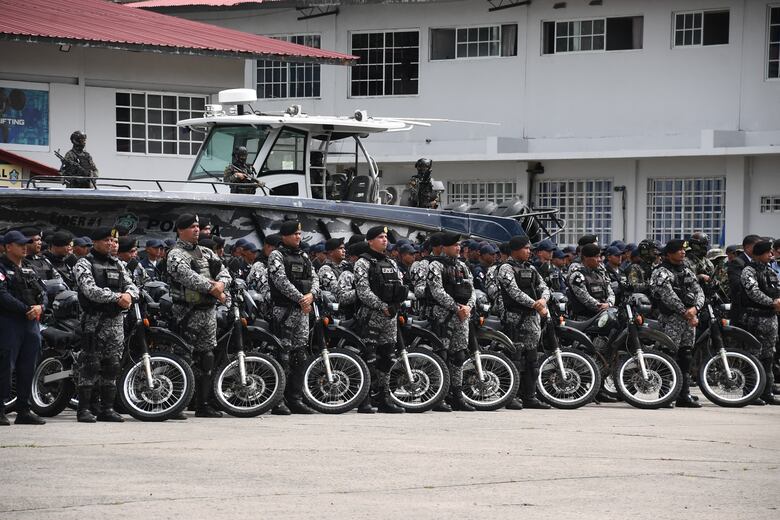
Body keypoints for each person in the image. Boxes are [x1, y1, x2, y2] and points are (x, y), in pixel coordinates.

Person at [167, 214, 231, 418]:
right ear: (180, 230)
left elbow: (225, 273)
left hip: (208, 312)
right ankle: (175, 404)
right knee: (182, 358)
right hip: (186, 313)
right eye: (192, 227)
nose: (197, 230)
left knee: (207, 357)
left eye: (197, 226)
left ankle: (202, 404)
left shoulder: (206, 252)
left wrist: (221, 285)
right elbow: (188, 277)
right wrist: (215, 289)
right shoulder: (175, 254)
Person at [73, 227, 139, 423]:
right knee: (90, 365)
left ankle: (107, 408)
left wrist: (128, 295)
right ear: (95, 242)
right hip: (94, 321)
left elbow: (133, 286)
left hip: (115, 322)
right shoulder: (84, 263)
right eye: (106, 240)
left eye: (113, 240)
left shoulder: (118, 264)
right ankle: (84, 409)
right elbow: (90, 290)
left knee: (112, 365)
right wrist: (118, 297)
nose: (111, 244)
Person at [354, 226, 408, 413]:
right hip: (372, 315)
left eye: (385, 237)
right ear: (370, 241)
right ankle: (365, 399)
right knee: (369, 357)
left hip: (390, 316)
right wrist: (382, 306)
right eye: (380, 237)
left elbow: (400, 287)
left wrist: (394, 306)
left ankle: (384, 397)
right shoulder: (363, 262)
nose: (384, 240)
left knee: (387, 357)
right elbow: (363, 291)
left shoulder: (391, 263)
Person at [268, 220, 320, 414]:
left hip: (302, 312)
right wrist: (301, 299)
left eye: (300, 233)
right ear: (285, 236)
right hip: (284, 311)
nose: (299, 236)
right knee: (282, 355)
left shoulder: (304, 256)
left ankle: (295, 399)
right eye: (295, 234)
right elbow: (280, 281)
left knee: (300, 355)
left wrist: (311, 295)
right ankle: (278, 401)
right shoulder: (276, 255)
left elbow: (315, 278)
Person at [498, 235, 551, 410]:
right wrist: (535, 304)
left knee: (532, 362)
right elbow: (513, 292)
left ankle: (529, 397)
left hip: (532, 320)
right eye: (526, 248)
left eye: (529, 248)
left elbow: (544, 287)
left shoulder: (530, 268)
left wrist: (543, 300)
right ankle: (510, 397)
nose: (529, 251)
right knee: (515, 360)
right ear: (515, 250)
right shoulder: (506, 268)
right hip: (515, 320)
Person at [650, 239, 705, 408]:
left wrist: (695, 308)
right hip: (671, 319)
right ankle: (666, 394)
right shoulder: (661, 272)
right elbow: (668, 296)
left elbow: (699, 291)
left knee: (686, 356)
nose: (683, 252)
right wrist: (686, 312)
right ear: (669, 253)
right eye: (679, 250)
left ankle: (683, 394)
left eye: (684, 250)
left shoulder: (687, 270)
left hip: (689, 320)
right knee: (668, 355)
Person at [0, 230, 47, 425]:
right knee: (5, 367)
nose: (24, 247)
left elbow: (43, 291)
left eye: (25, 244)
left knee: (28, 367)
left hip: (31, 323)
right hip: (9, 323)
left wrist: (41, 306)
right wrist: (26, 309)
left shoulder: (30, 267)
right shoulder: (1, 267)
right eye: (20, 244)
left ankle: (24, 409)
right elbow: (1, 295)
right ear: (8, 246)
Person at [427, 232, 477, 412]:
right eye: (455, 245)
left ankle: (457, 395)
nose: (458, 248)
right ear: (445, 247)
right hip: (444, 316)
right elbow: (437, 291)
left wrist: (468, 307)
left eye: (459, 245)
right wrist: (457, 308)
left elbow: (472, 290)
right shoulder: (435, 265)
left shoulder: (463, 266)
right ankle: (439, 396)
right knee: (442, 356)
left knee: (459, 356)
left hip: (462, 317)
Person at [739, 240, 780, 405]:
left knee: (768, 357)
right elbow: (753, 292)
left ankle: (766, 392)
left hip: (771, 318)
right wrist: (772, 302)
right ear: (758, 254)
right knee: (753, 356)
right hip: (754, 318)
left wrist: (777, 301)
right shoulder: (748, 271)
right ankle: (751, 392)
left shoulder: (770, 271)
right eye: (767, 252)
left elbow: (777, 289)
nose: (771, 255)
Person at [567, 243, 614, 321]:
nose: (600, 259)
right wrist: (601, 307)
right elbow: (585, 298)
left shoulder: (600, 272)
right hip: (584, 320)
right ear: (586, 258)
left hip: (603, 315)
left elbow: (610, 291)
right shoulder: (577, 275)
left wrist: (609, 304)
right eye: (596, 256)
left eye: (599, 256)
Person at [728, 235, 761, 323]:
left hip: (757, 312)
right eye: (758, 246)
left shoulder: (758, 262)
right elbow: (737, 285)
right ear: (747, 247)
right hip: (742, 312)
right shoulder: (738, 262)